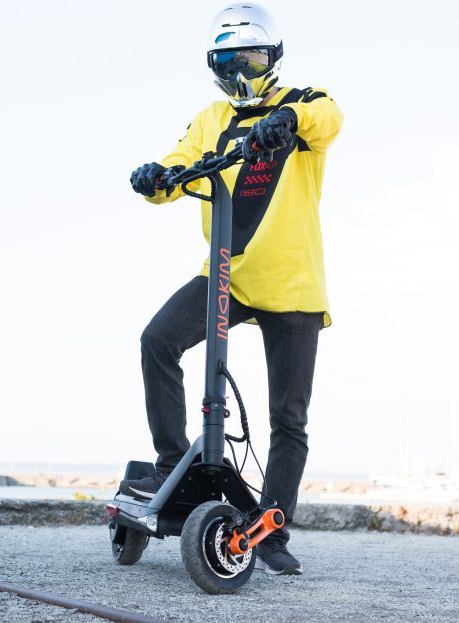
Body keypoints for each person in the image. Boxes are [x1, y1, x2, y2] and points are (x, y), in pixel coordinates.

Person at [118, 3, 343, 576]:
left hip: (292, 284)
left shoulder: (304, 102)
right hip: (227, 273)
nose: (240, 70)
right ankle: (175, 463)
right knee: (157, 342)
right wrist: (155, 178)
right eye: (228, 60)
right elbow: (178, 168)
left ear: (271, 58)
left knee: (288, 418)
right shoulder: (211, 116)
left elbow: (330, 119)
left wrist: (287, 124)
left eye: (251, 58)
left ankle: (270, 529)